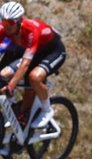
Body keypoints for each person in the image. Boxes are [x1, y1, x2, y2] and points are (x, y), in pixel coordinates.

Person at [0, 2, 66, 130]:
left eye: (11, 23)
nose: (7, 27)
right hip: (30, 52)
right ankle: (14, 107)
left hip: (52, 51)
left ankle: (47, 110)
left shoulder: (31, 30)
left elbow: (25, 64)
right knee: (3, 74)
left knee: (34, 78)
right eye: (4, 22)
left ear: (19, 21)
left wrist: (11, 86)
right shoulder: (4, 29)